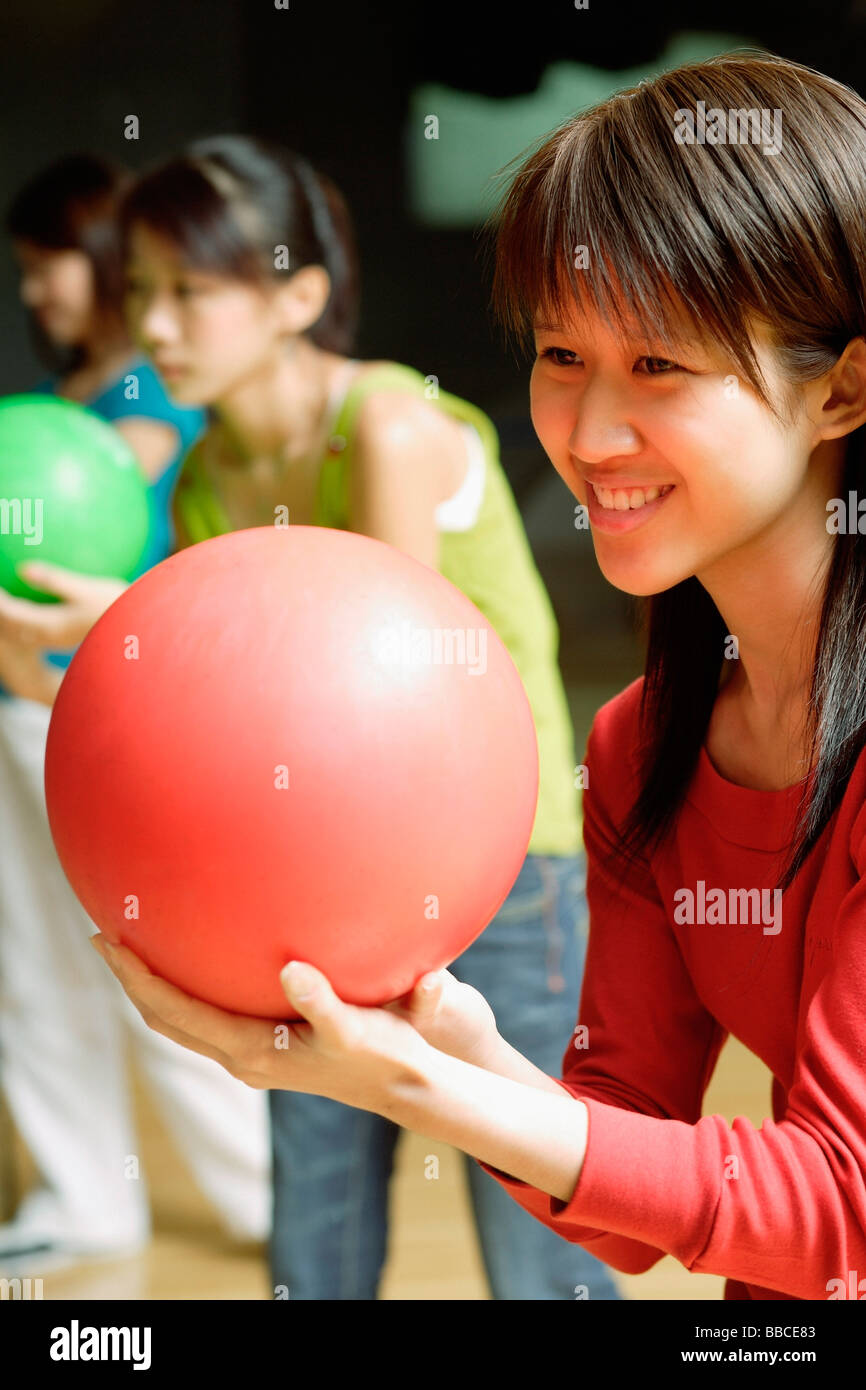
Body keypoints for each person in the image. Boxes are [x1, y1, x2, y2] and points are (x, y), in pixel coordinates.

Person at [94, 51, 866, 1303]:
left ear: (839, 388)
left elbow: (840, 1202)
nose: (587, 430)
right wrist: (446, 1055)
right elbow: (617, 1188)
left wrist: (423, 1086)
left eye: (658, 364)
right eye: (561, 352)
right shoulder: (639, 744)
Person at [104, 134, 615, 1302]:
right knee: (314, 1232)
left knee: (534, 1219)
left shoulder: (385, 424)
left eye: (190, 289)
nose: (157, 325)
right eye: (139, 290)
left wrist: (128, 623)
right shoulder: (205, 477)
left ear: (298, 294)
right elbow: (213, 719)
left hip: (494, 862)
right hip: (312, 874)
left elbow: (355, 703)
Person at [0, 154, 271, 1267]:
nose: (33, 293)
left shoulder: (146, 401)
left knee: (152, 954)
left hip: (104, 707)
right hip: (19, 701)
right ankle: (82, 1202)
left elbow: (85, 518)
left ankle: (264, 1193)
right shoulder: (59, 401)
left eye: (47, 266)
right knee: (31, 965)